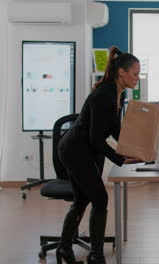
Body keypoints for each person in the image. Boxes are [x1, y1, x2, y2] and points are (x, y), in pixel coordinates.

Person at [56, 46, 141, 264]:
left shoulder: (117, 93)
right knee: (100, 198)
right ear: (121, 72)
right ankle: (96, 255)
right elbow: (96, 138)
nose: (137, 78)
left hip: (83, 149)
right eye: (135, 73)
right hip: (75, 150)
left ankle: (64, 249)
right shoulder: (104, 95)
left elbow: (114, 129)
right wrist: (121, 159)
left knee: (83, 198)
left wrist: (134, 148)